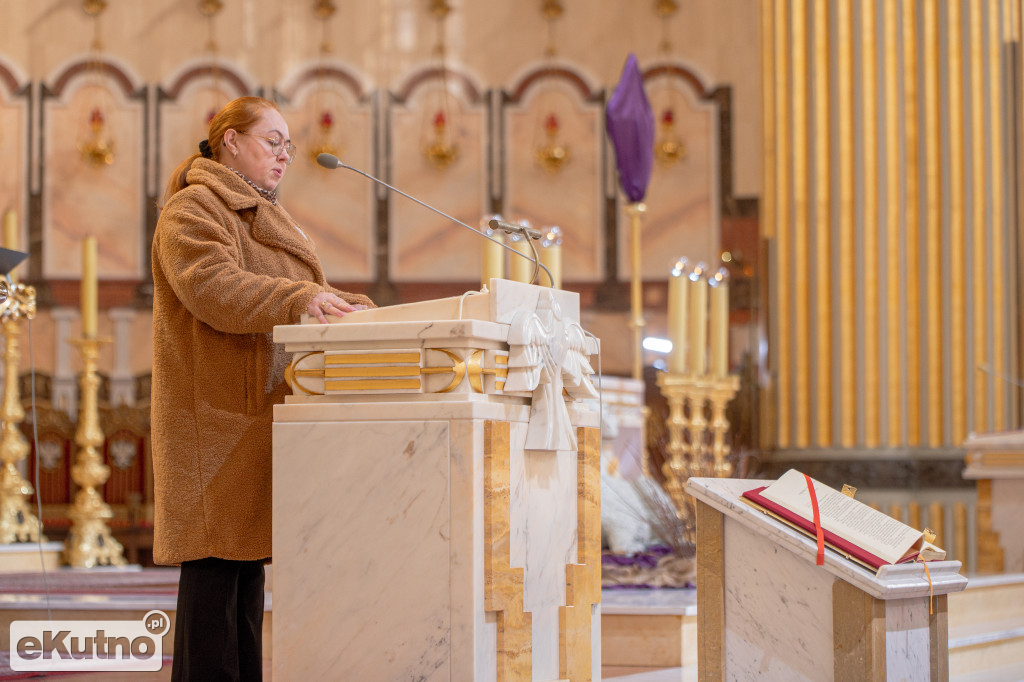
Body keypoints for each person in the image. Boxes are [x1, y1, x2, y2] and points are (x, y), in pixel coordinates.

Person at [151, 96, 373, 681]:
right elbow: (212, 287)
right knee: (213, 586)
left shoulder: (261, 213)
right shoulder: (194, 207)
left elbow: (301, 288)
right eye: (273, 142)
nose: (285, 155)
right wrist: (303, 299)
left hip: (253, 418)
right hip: (213, 422)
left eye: (288, 147)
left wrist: (358, 310)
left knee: (244, 587)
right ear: (230, 140)